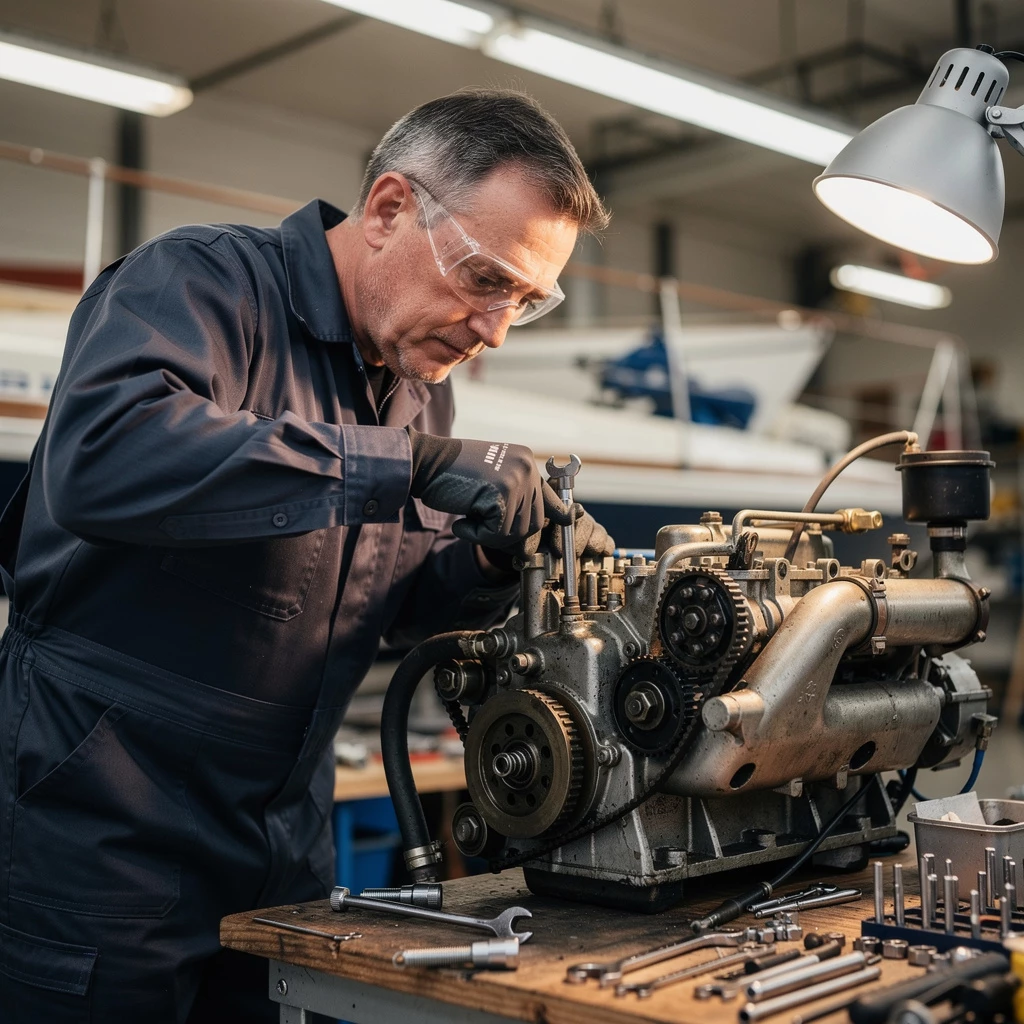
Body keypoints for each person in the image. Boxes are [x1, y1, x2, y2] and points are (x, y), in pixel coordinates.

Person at [0, 89, 613, 1021]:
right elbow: (101, 459)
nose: (493, 328)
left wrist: (494, 556)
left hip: (282, 843)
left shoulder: (415, 385)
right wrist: (408, 464)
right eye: (486, 278)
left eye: (523, 303)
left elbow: (386, 609)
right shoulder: (200, 285)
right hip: (100, 836)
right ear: (389, 209)